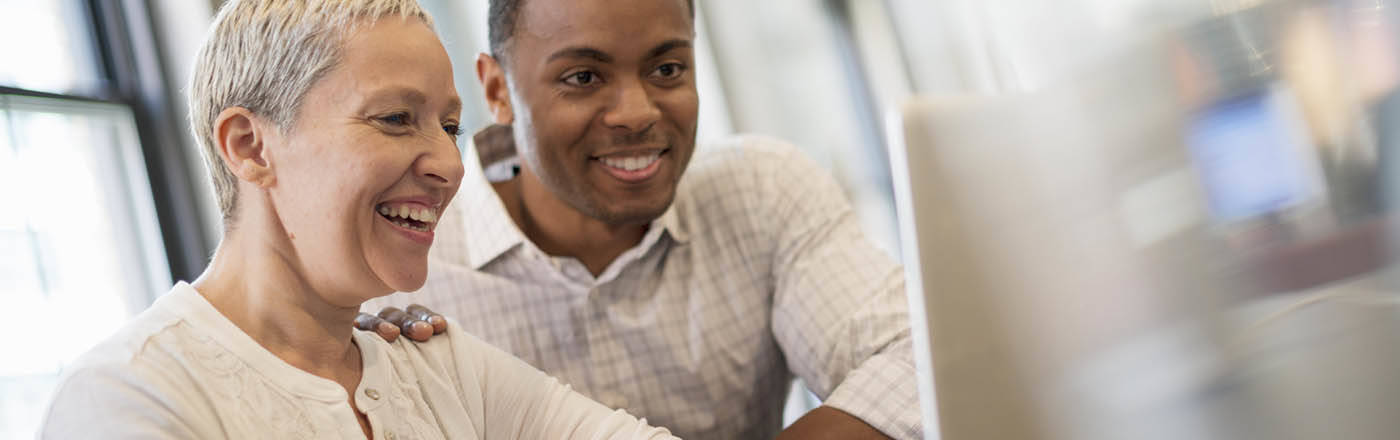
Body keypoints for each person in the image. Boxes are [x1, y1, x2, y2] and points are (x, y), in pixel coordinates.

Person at [38, 1, 677, 438]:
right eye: (395, 119)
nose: (449, 165)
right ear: (249, 146)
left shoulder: (439, 365)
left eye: (450, 127)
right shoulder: (131, 396)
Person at [359, 0, 922, 438]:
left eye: (667, 69)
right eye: (583, 77)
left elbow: (915, 362)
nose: (636, 113)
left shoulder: (763, 192)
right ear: (497, 89)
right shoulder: (401, 272)